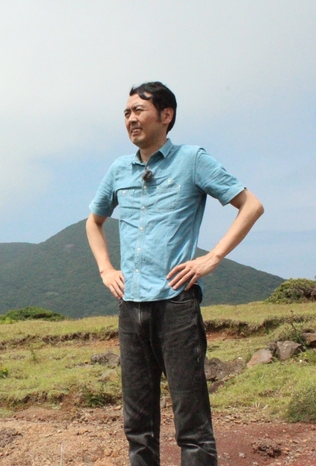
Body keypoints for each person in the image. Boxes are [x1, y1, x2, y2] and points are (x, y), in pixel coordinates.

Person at [86, 81, 264, 466]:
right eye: (127, 113)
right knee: (138, 425)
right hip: (130, 306)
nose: (131, 119)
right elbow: (93, 221)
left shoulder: (192, 159)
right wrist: (105, 268)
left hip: (176, 306)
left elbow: (250, 205)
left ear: (166, 116)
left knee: (192, 427)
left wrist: (212, 257)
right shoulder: (120, 168)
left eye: (139, 110)